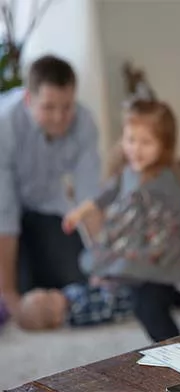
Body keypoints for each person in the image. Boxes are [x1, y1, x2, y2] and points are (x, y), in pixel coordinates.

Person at [63, 99, 180, 342]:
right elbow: (105, 195)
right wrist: (79, 213)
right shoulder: (127, 172)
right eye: (130, 140)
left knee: (148, 305)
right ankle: (172, 296)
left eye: (146, 142)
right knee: (135, 280)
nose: (136, 149)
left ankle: (175, 347)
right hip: (134, 245)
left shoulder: (166, 179)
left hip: (160, 250)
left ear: (164, 145)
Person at [0, 55, 101, 317]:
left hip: (44, 211)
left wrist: (105, 268)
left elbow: (89, 200)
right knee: (19, 290)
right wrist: (8, 293)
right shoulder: (5, 124)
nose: (59, 117)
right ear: (28, 100)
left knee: (79, 279)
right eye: (48, 107)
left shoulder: (84, 122)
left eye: (66, 106)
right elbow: (5, 214)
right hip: (4, 215)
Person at [16, 280, 180, 331]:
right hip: (127, 299)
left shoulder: (68, 292)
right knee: (157, 299)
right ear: (57, 319)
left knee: (165, 291)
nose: (54, 292)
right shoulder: (77, 315)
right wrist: (107, 287)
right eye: (51, 300)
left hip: (121, 284)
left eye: (48, 291)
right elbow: (105, 310)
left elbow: (87, 285)